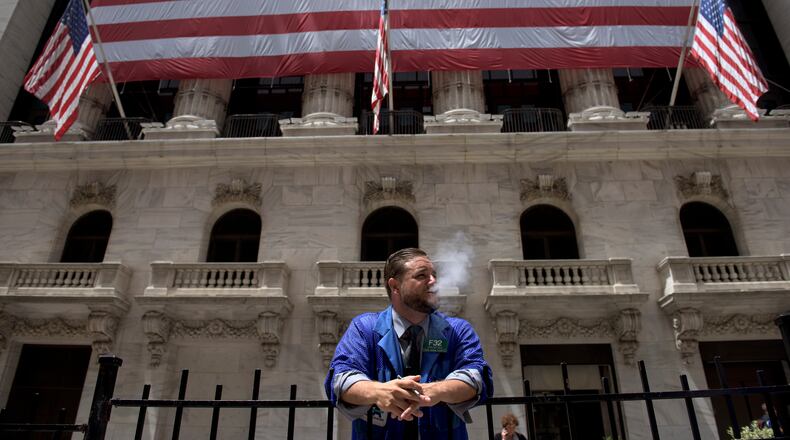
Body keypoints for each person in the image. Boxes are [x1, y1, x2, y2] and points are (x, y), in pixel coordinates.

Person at [325, 247, 493, 439]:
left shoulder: (457, 330)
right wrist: (380, 391)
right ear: (395, 286)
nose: (433, 281)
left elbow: (476, 378)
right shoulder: (364, 328)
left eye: (434, 275)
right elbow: (341, 380)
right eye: (422, 275)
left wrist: (432, 391)